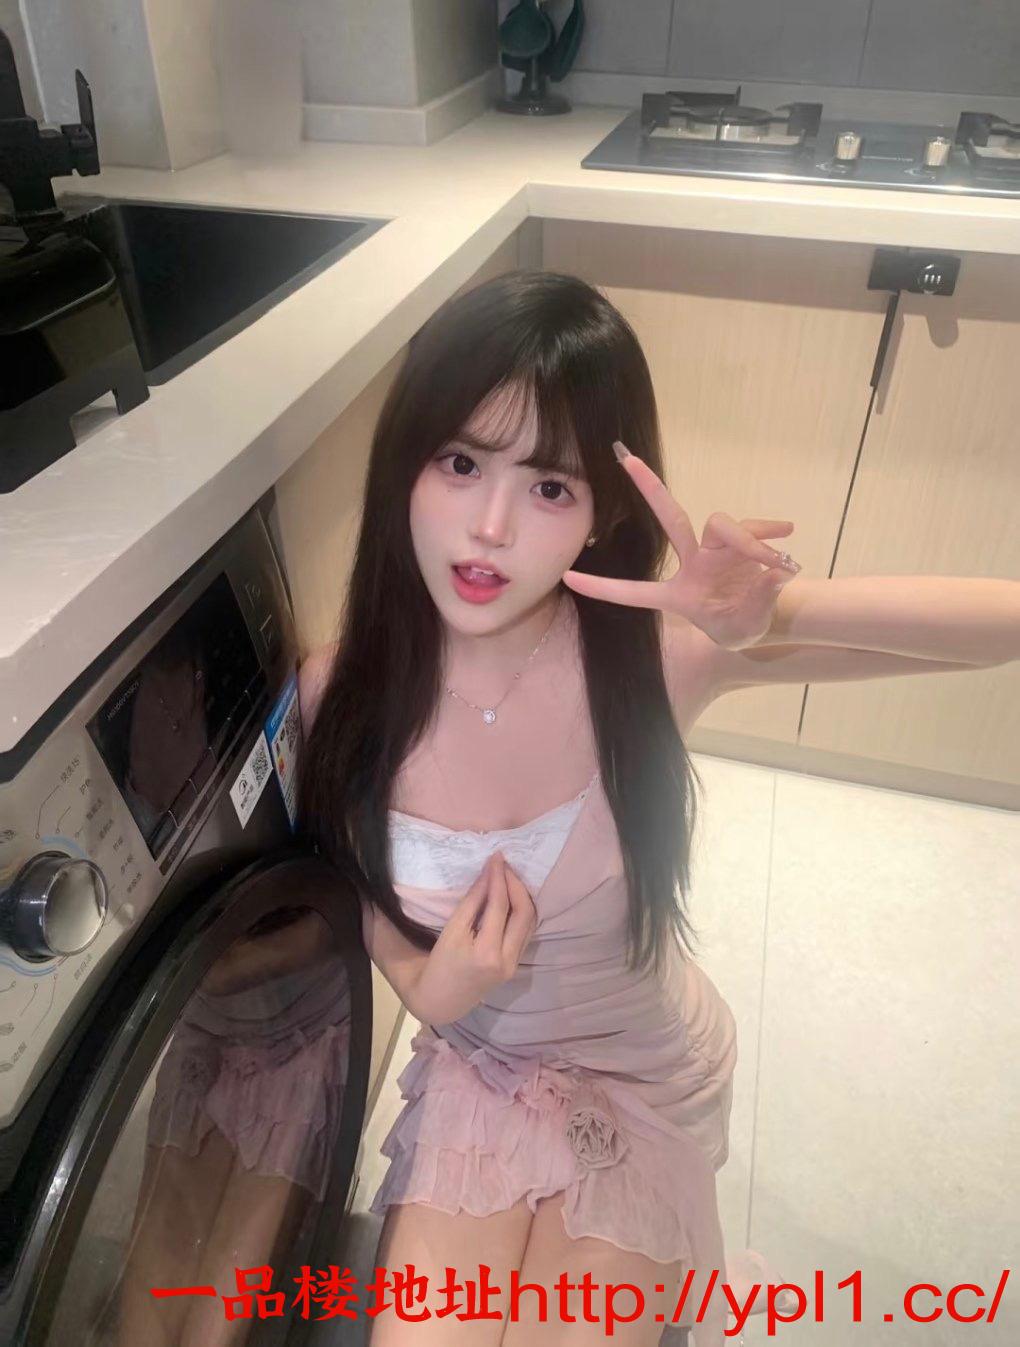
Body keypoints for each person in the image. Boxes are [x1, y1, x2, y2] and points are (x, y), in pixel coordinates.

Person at [295, 270, 798, 1345]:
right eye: (461, 462)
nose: (488, 527)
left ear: (603, 512)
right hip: (483, 1068)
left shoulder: (646, 664)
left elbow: (978, 629)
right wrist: (427, 985)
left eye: (550, 486)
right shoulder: (337, 692)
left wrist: (772, 614)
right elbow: (360, 883)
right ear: (405, 461)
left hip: (638, 1076)